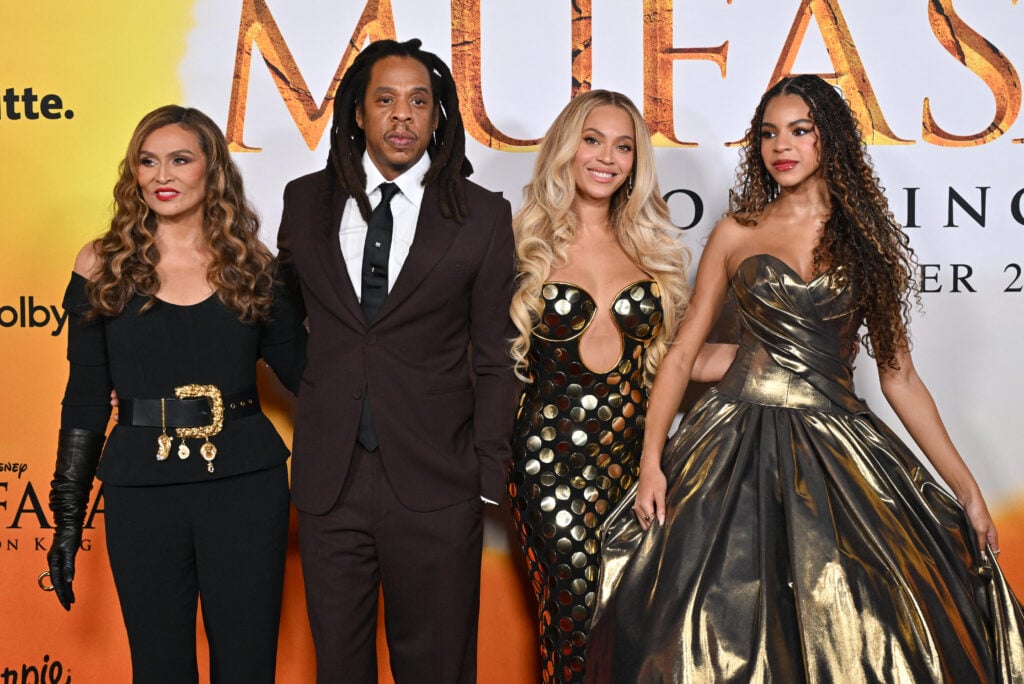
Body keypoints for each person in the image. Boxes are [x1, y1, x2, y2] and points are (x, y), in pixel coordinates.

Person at [585, 75, 1024, 682]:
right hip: (731, 446)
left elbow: (899, 377)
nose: (780, 146)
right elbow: (683, 354)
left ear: (831, 140)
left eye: (799, 130)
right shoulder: (738, 231)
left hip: (838, 451)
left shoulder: (866, 241)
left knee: (865, 625)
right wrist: (651, 460)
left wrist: (967, 487)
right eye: (769, 133)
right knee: (706, 623)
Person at [275, 38, 519, 683]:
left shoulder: (483, 216)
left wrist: (486, 470)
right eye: (385, 100)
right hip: (332, 482)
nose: (402, 116)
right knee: (340, 668)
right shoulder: (304, 201)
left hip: (439, 480)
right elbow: (280, 320)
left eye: (419, 101)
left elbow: (496, 356)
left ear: (438, 116)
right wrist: (327, 386)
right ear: (358, 112)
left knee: (436, 667)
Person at [42, 105, 306, 683]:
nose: (163, 174)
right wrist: (67, 519)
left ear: (211, 171)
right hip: (142, 491)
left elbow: (308, 378)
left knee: (246, 666)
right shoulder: (101, 265)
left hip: (245, 487)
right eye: (148, 160)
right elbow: (85, 400)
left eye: (180, 159)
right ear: (133, 173)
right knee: (159, 669)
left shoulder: (255, 267)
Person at [507, 90, 736, 683]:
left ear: (636, 162)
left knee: (630, 629)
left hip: (639, 468)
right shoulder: (521, 245)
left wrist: (785, 353)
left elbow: (676, 361)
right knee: (575, 617)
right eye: (592, 140)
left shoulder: (651, 250)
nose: (607, 157)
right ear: (566, 148)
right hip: (547, 465)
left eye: (623, 146)